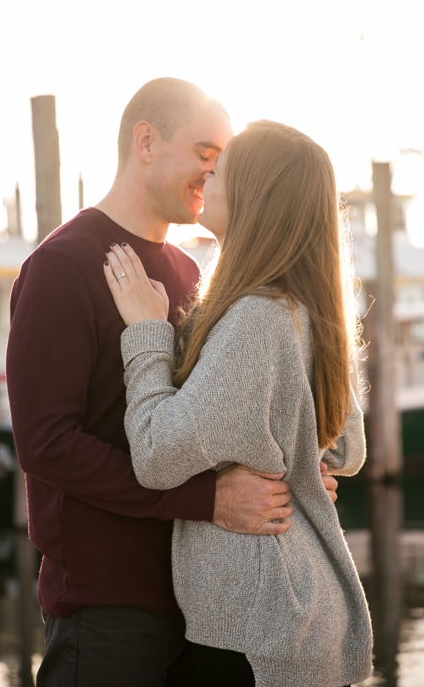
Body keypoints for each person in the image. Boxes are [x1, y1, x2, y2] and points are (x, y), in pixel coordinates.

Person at [6, 78, 340, 685]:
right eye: (206, 155)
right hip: (111, 607)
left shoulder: (193, 271)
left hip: (207, 606)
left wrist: (295, 470)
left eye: (222, 164)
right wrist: (205, 501)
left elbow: (222, 416)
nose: (212, 177)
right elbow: (45, 443)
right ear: (146, 143)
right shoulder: (62, 265)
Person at [103, 120, 371, 685]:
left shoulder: (256, 317)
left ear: (254, 196)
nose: (207, 173)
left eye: (220, 170)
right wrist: (305, 470)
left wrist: (147, 334)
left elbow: (156, 455)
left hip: (256, 628)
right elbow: (348, 449)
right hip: (289, 613)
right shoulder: (306, 308)